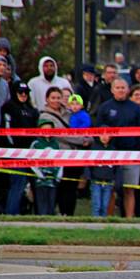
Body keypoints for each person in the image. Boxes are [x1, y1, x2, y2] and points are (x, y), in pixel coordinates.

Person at [96, 78, 140, 218]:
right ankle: (110, 219)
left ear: (127, 89)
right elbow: (98, 131)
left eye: (123, 87)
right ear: (112, 90)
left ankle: (129, 219)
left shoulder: (135, 108)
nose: (120, 90)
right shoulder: (105, 107)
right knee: (110, 189)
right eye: (117, 87)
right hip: (110, 155)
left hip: (131, 155)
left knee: (129, 189)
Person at [38, 86, 88, 215]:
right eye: (53, 98)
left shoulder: (70, 113)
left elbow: (84, 129)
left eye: (58, 97)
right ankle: (56, 214)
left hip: (74, 157)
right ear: (47, 99)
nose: (56, 100)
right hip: (58, 158)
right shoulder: (45, 116)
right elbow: (62, 134)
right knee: (60, 188)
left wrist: (89, 138)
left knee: (71, 188)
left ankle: (69, 216)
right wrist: (82, 140)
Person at [0, 81, 38, 215]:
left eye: (26, 92)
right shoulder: (9, 107)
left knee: (31, 185)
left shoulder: (32, 110)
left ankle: (30, 212)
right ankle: (11, 213)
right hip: (15, 153)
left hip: (32, 153)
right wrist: (13, 150)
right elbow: (6, 131)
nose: (24, 95)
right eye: (20, 92)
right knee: (17, 183)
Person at [30, 120, 63, 215]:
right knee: (41, 199)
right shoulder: (36, 144)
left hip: (53, 177)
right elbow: (31, 160)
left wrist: (60, 173)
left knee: (52, 199)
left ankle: (50, 219)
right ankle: (42, 217)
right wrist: (39, 174)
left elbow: (61, 160)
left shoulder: (56, 144)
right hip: (40, 178)